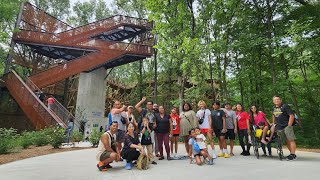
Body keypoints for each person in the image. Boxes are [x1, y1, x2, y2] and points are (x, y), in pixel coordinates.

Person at [272, 96, 297, 161]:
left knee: (291, 139)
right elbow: (274, 115)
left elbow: (291, 115)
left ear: (280, 100)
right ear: (273, 101)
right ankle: (292, 154)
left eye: (278, 99)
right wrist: (273, 123)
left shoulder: (285, 106)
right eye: (275, 100)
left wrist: (289, 125)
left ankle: (292, 154)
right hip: (279, 127)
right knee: (287, 141)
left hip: (287, 126)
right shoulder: (273, 108)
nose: (276, 101)